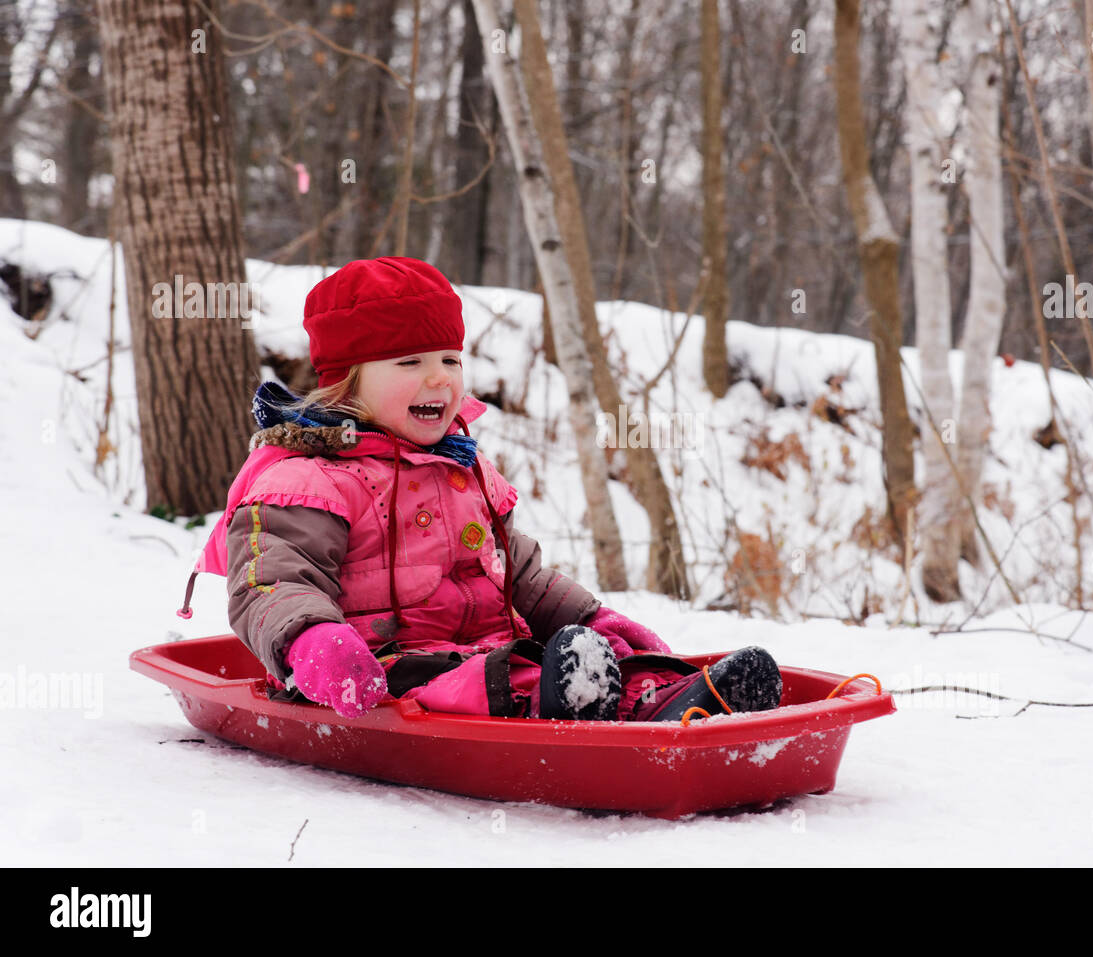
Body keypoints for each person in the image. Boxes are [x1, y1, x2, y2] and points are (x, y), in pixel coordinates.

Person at [178, 257, 781, 722]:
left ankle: (668, 698)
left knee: (567, 661)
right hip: (382, 673)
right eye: (410, 363)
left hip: (495, 649)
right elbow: (271, 581)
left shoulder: (461, 468)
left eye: (449, 358)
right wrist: (313, 642)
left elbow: (521, 575)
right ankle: (576, 701)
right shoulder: (303, 479)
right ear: (346, 385)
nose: (439, 376)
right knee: (507, 679)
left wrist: (596, 619)